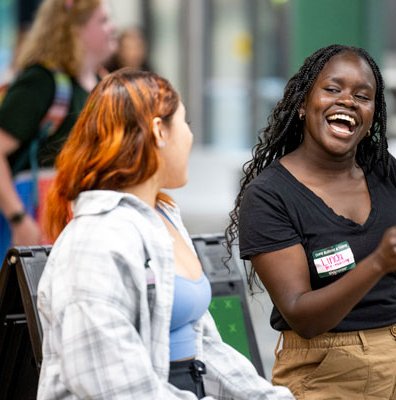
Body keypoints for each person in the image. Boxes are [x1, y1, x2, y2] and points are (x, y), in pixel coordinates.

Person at [37, 69, 294, 399]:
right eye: (184, 122)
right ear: (159, 130)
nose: (189, 135)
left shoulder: (162, 218)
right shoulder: (95, 240)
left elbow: (204, 347)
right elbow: (113, 387)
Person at [227, 44, 396, 400]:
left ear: (372, 115)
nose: (347, 101)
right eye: (332, 89)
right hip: (327, 375)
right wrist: (377, 262)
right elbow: (303, 315)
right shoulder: (270, 195)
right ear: (303, 104)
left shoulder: (385, 170)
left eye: (362, 96)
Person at [0, 0, 116, 285]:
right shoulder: (42, 80)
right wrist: (19, 219)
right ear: (75, 28)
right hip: (36, 214)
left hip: (78, 218)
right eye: (104, 21)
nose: (113, 28)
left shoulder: (100, 82)